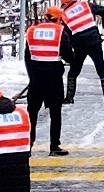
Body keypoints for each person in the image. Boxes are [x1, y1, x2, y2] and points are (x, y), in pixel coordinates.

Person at [25, 9, 70, 156]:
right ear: (59, 19)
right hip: (54, 78)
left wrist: (32, 75)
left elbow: (28, 56)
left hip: (36, 78)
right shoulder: (60, 32)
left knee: (32, 113)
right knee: (55, 113)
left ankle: (28, 146)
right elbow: (69, 56)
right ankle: (54, 146)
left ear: (46, 17)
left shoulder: (32, 31)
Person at [58, 0, 104, 104]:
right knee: (100, 67)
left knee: (74, 70)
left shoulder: (64, 15)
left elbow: (66, 35)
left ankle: (69, 97)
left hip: (79, 44)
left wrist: (70, 49)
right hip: (94, 40)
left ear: (65, 4)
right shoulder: (85, 4)